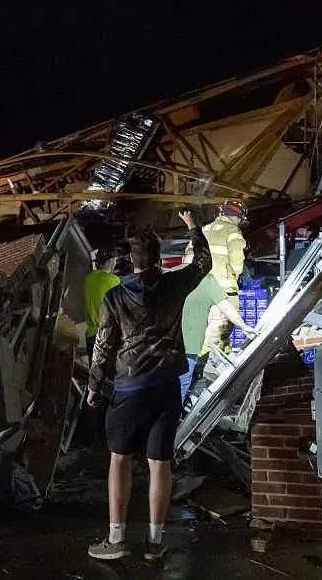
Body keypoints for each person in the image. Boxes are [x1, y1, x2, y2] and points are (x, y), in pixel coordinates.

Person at [85, 210, 211, 561]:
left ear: (132, 261)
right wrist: (192, 227)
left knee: (120, 460)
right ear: (158, 259)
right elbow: (204, 261)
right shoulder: (175, 285)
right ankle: (155, 543)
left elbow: (104, 347)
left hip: (129, 389)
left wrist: (94, 385)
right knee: (160, 463)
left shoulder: (114, 298)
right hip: (166, 386)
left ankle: (116, 539)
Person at [179, 274, 255, 404]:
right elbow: (225, 307)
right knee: (180, 387)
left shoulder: (169, 275)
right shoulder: (206, 279)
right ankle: (173, 421)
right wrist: (243, 326)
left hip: (165, 343)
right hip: (189, 345)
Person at [185, 201, 248, 356]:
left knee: (203, 329)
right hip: (223, 290)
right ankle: (202, 363)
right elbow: (237, 264)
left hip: (198, 289)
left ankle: (221, 356)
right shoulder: (233, 231)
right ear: (238, 217)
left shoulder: (204, 230)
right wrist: (234, 277)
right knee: (218, 330)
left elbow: (187, 258)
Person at [83, 247, 120, 349]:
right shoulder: (114, 281)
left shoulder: (87, 278)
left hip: (90, 334)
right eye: (115, 260)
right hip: (107, 334)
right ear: (111, 260)